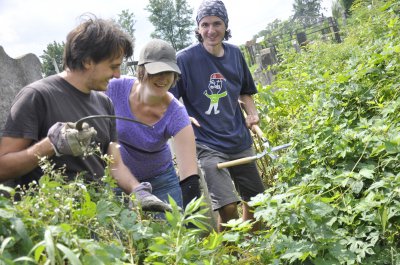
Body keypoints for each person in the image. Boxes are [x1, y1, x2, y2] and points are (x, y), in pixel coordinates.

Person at [0, 15, 171, 212]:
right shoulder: (37, 96)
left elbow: (114, 163)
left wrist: (137, 190)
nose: (117, 74)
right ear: (88, 61)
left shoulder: (104, 102)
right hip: (52, 220)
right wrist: (50, 145)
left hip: (95, 218)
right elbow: (3, 167)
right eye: (113, 66)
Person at [170, 0, 265, 231]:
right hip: (207, 143)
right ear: (198, 28)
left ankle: (250, 247)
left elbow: (245, 91)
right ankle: (228, 251)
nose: (211, 30)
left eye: (216, 23)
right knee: (227, 206)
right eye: (205, 25)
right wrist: (182, 118)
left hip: (239, 140)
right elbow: (170, 98)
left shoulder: (235, 54)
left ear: (225, 25)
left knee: (256, 201)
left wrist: (252, 114)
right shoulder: (184, 59)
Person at [105, 39, 201, 210]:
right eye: (156, 71)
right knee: (121, 235)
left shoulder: (176, 114)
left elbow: (189, 175)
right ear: (141, 70)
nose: (163, 78)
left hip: (161, 181)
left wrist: (190, 220)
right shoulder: (114, 89)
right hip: (118, 179)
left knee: (169, 233)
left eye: (168, 72)